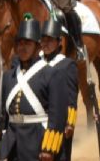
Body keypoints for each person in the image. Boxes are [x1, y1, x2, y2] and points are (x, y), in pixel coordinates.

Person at [0, 14, 69, 161]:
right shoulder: (8, 77)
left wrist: (49, 148)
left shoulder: (52, 74)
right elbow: (1, 117)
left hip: (39, 141)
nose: (22, 47)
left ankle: (76, 41)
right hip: (12, 143)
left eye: (27, 43)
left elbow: (57, 117)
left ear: (37, 46)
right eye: (20, 43)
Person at [39, 18, 78, 160]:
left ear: (58, 42)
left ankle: (77, 41)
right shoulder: (37, 63)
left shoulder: (67, 65)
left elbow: (71, 96)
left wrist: (70, 123)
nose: (46, 44)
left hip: (60, 122)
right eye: (43, 40)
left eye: (50, 40)